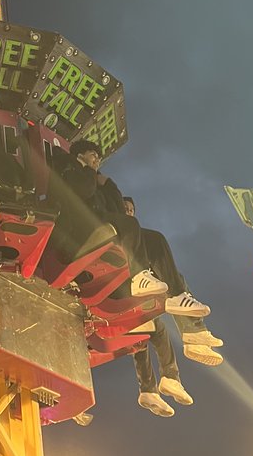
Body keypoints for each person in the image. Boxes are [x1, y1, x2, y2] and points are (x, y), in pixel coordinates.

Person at [48, 141, 211, 316]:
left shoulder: (94, 177)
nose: (97, 160)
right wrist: (88, 169)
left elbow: (118, 210)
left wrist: (109, 184)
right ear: (80, 154)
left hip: (98, 225)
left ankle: (176, 296)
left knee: (155, 239)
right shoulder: (68, 165)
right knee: (130, 224)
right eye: (94, 155)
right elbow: (83, 191)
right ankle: (139, 275)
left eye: (99, 158)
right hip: (76, 229)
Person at [122, 196, 224, 368]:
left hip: (138, 278)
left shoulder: (134, 239)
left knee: (175, 277)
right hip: (126, 282)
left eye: (131, 210)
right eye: (125, 209)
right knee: (157, 244)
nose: (129, 212)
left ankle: (194, 336)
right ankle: (193, 332)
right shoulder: (120, 231)